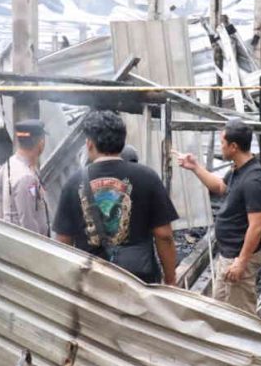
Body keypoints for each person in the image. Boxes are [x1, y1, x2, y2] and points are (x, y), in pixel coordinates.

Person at [53, 110, 178, 285]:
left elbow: (63, 241)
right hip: (139, 282)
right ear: (122, 142)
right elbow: (164, 235)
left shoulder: (72, 184)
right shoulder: (148, 177)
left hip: (92, 282)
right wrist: (170, 279)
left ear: (89, 144)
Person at [175, 119, 261, 313]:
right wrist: (195, 167)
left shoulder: (254, 180)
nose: (221, 147)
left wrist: (241, 262)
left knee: (241, 318)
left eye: (223, 143)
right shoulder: (238, 170)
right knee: (221, 312)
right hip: (228, 255)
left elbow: (257, 226)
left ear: (234, 146)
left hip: (238, 258)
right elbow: (220, 187)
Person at [0, 119, 50, 236]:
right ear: (41, 143)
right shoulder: (26, 178)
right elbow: (27, 221)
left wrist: (0, 219)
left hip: (12, 237)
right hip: (31, 246)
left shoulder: (12, 162)